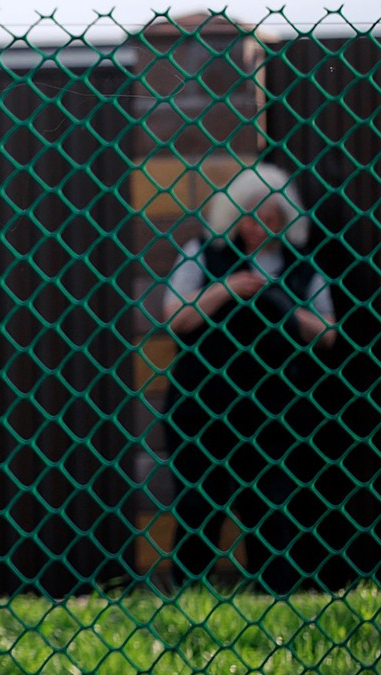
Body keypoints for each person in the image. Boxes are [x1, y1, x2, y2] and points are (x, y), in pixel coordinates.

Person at [145, 162, 338, 593]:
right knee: (198, 506)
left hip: (274, 413)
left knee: (270, 509)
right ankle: (187, 595)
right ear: (233, 214)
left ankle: (275, 600)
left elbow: (328, 333)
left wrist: (279, 301)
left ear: (286, 220)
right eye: (251, 216)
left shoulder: (301, 267)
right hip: (203, 409)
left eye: (272, 218)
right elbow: (174, 315)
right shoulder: (204, 253)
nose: (260, 227)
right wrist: (226, 288)